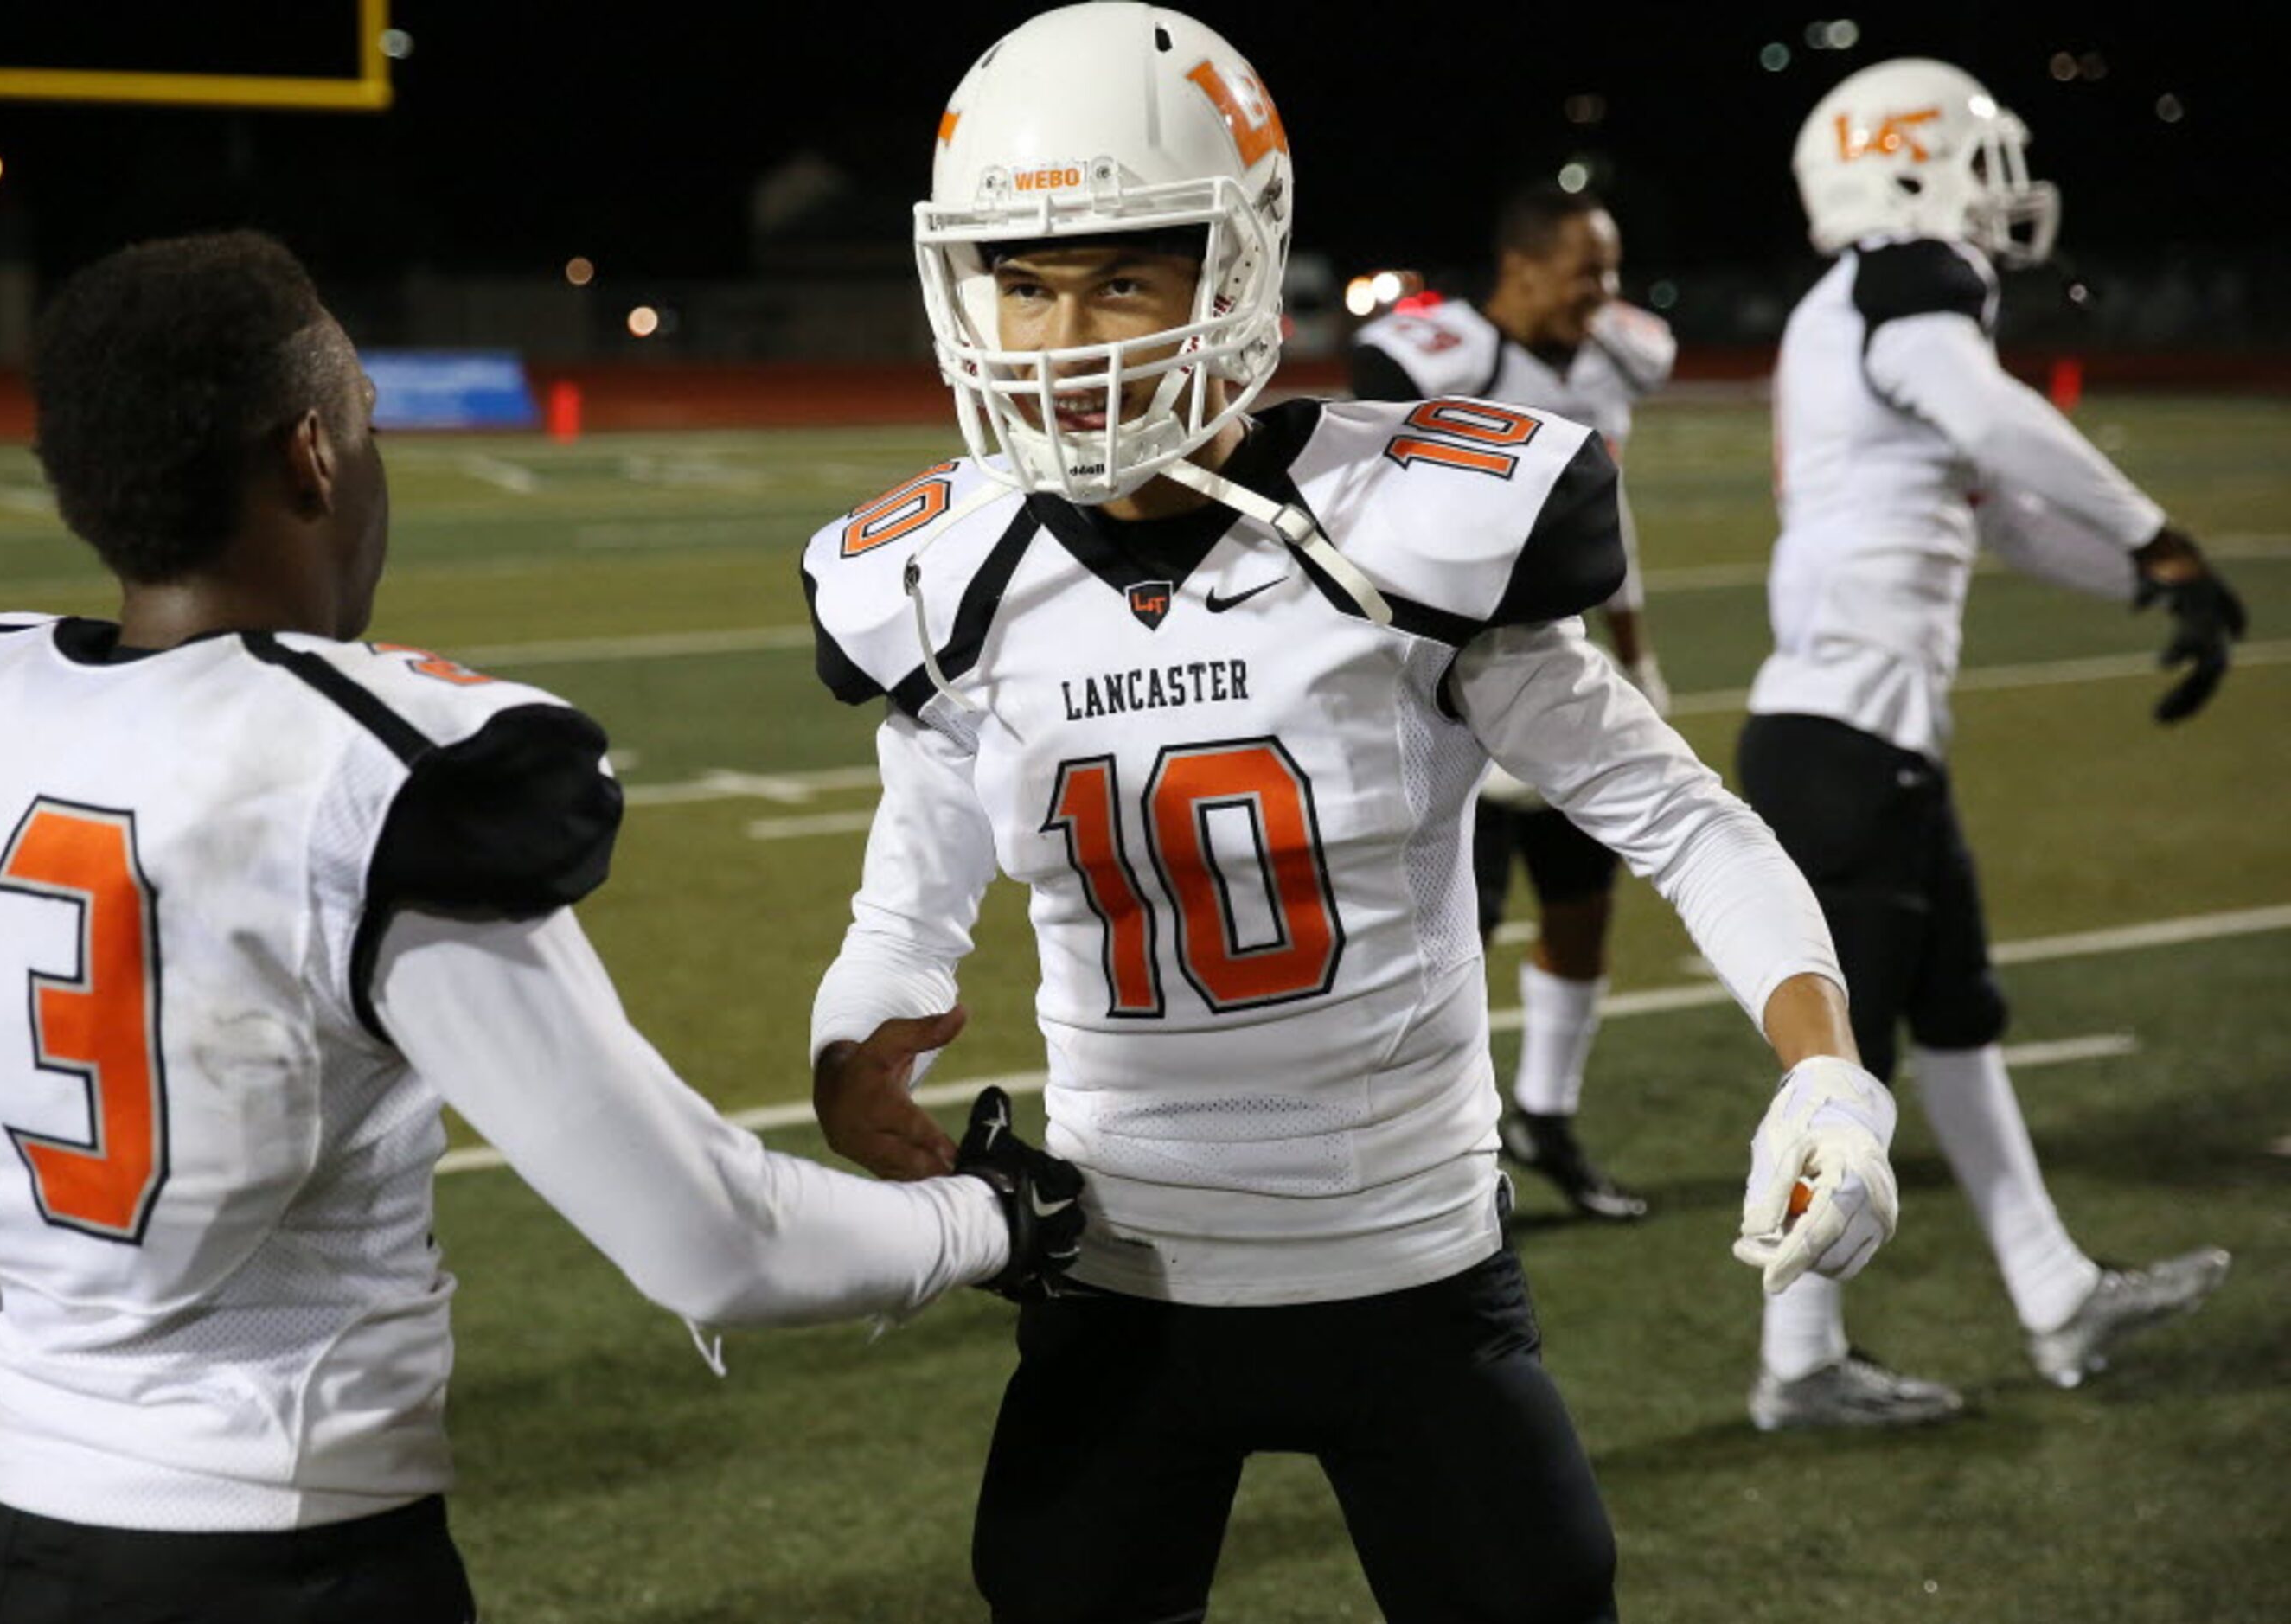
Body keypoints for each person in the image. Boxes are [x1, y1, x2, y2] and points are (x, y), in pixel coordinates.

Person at [801, 8, 1900, 1619]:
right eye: (1022, 280)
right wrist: (855, 1055)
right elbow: (902, 912)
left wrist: (1826, 1071)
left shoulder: (1404, 530)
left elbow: (1683, 818)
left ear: (1235, 271)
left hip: (1408, 1269)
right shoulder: (950, 576)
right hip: (1120, 1275)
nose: (1056, 330)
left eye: (1118, 274)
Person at [0, 229, 1083, 1624]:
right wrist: (993, 1220)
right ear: (311, 453)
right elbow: (716, 1244)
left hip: (26, 1529)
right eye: (362, 426)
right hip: (290, 1551)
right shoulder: (371, 767)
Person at [1742, 57, 2239, 1430]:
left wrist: (2153, 584)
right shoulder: (1909, 278)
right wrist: (2161, 533)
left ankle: (2056, 1293)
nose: (2002, 190)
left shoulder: (1859, 311)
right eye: (1980, 156)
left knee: (1958, 1026)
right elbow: (1996, 425)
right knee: (1846, 1070)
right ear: (1906, 163)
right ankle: (1800, 1363)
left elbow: (2001, 510)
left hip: (1868, 739)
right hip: (1848, 742)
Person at [1347, 183, 1678, 1221]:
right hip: (1466, 684)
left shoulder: (1612, 355)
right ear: (1520, 266)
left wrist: (1638, 655)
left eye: (1611, 268)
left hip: (1574, 671)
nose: (1605, 291)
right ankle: (1435, 1148)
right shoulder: (1444, 356)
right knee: (1459, 931)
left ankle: (1547, 1112)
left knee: (1583, 908)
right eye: (1587, 268)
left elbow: (1607, 521)